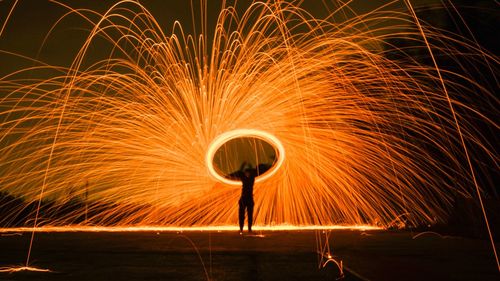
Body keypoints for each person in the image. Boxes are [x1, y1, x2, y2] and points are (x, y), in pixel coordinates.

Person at [234, 161, 256, 234]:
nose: (247, 174)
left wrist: (248, 165)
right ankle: (241, 229)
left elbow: (243, 172)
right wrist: (244, 165)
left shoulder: (251, 179)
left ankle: (249, 229)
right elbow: (240, 172)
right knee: (241, 215)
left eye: (248, 173)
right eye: (246, 173)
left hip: (248, 199)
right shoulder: (246, 179)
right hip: (244, 199)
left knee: (249, 215)